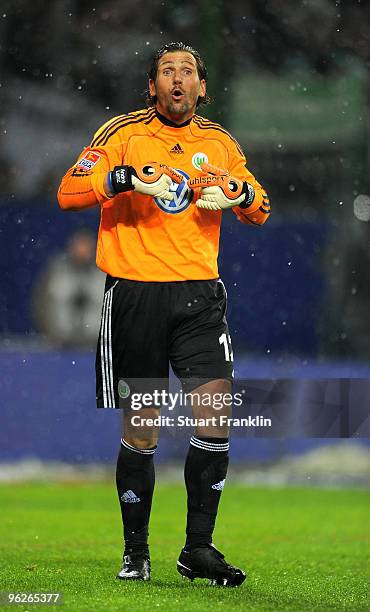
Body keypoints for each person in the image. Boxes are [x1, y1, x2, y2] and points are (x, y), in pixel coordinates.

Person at [58, 41, 270, 587]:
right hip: (136, 297)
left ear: (202, 86)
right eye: (167, 71)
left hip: (200, 297)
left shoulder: (220, 144)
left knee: (215, 415)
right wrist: (128, 179)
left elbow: (261, 208)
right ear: (151, 86)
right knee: (144, 429)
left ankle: (197, 548)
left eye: (189, 71)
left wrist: (238, 193)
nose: (178, 79)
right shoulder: (122, 133)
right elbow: (68, 192)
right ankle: (136, 551)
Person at [32, 229, 105, 348]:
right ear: (71, 246)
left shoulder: (103, 273)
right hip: (60, 343)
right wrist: (49, 333)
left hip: (94, 344)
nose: (82, 251)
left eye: (86, 246)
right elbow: (41, 302)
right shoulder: (57, 271)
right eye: (79, 245)